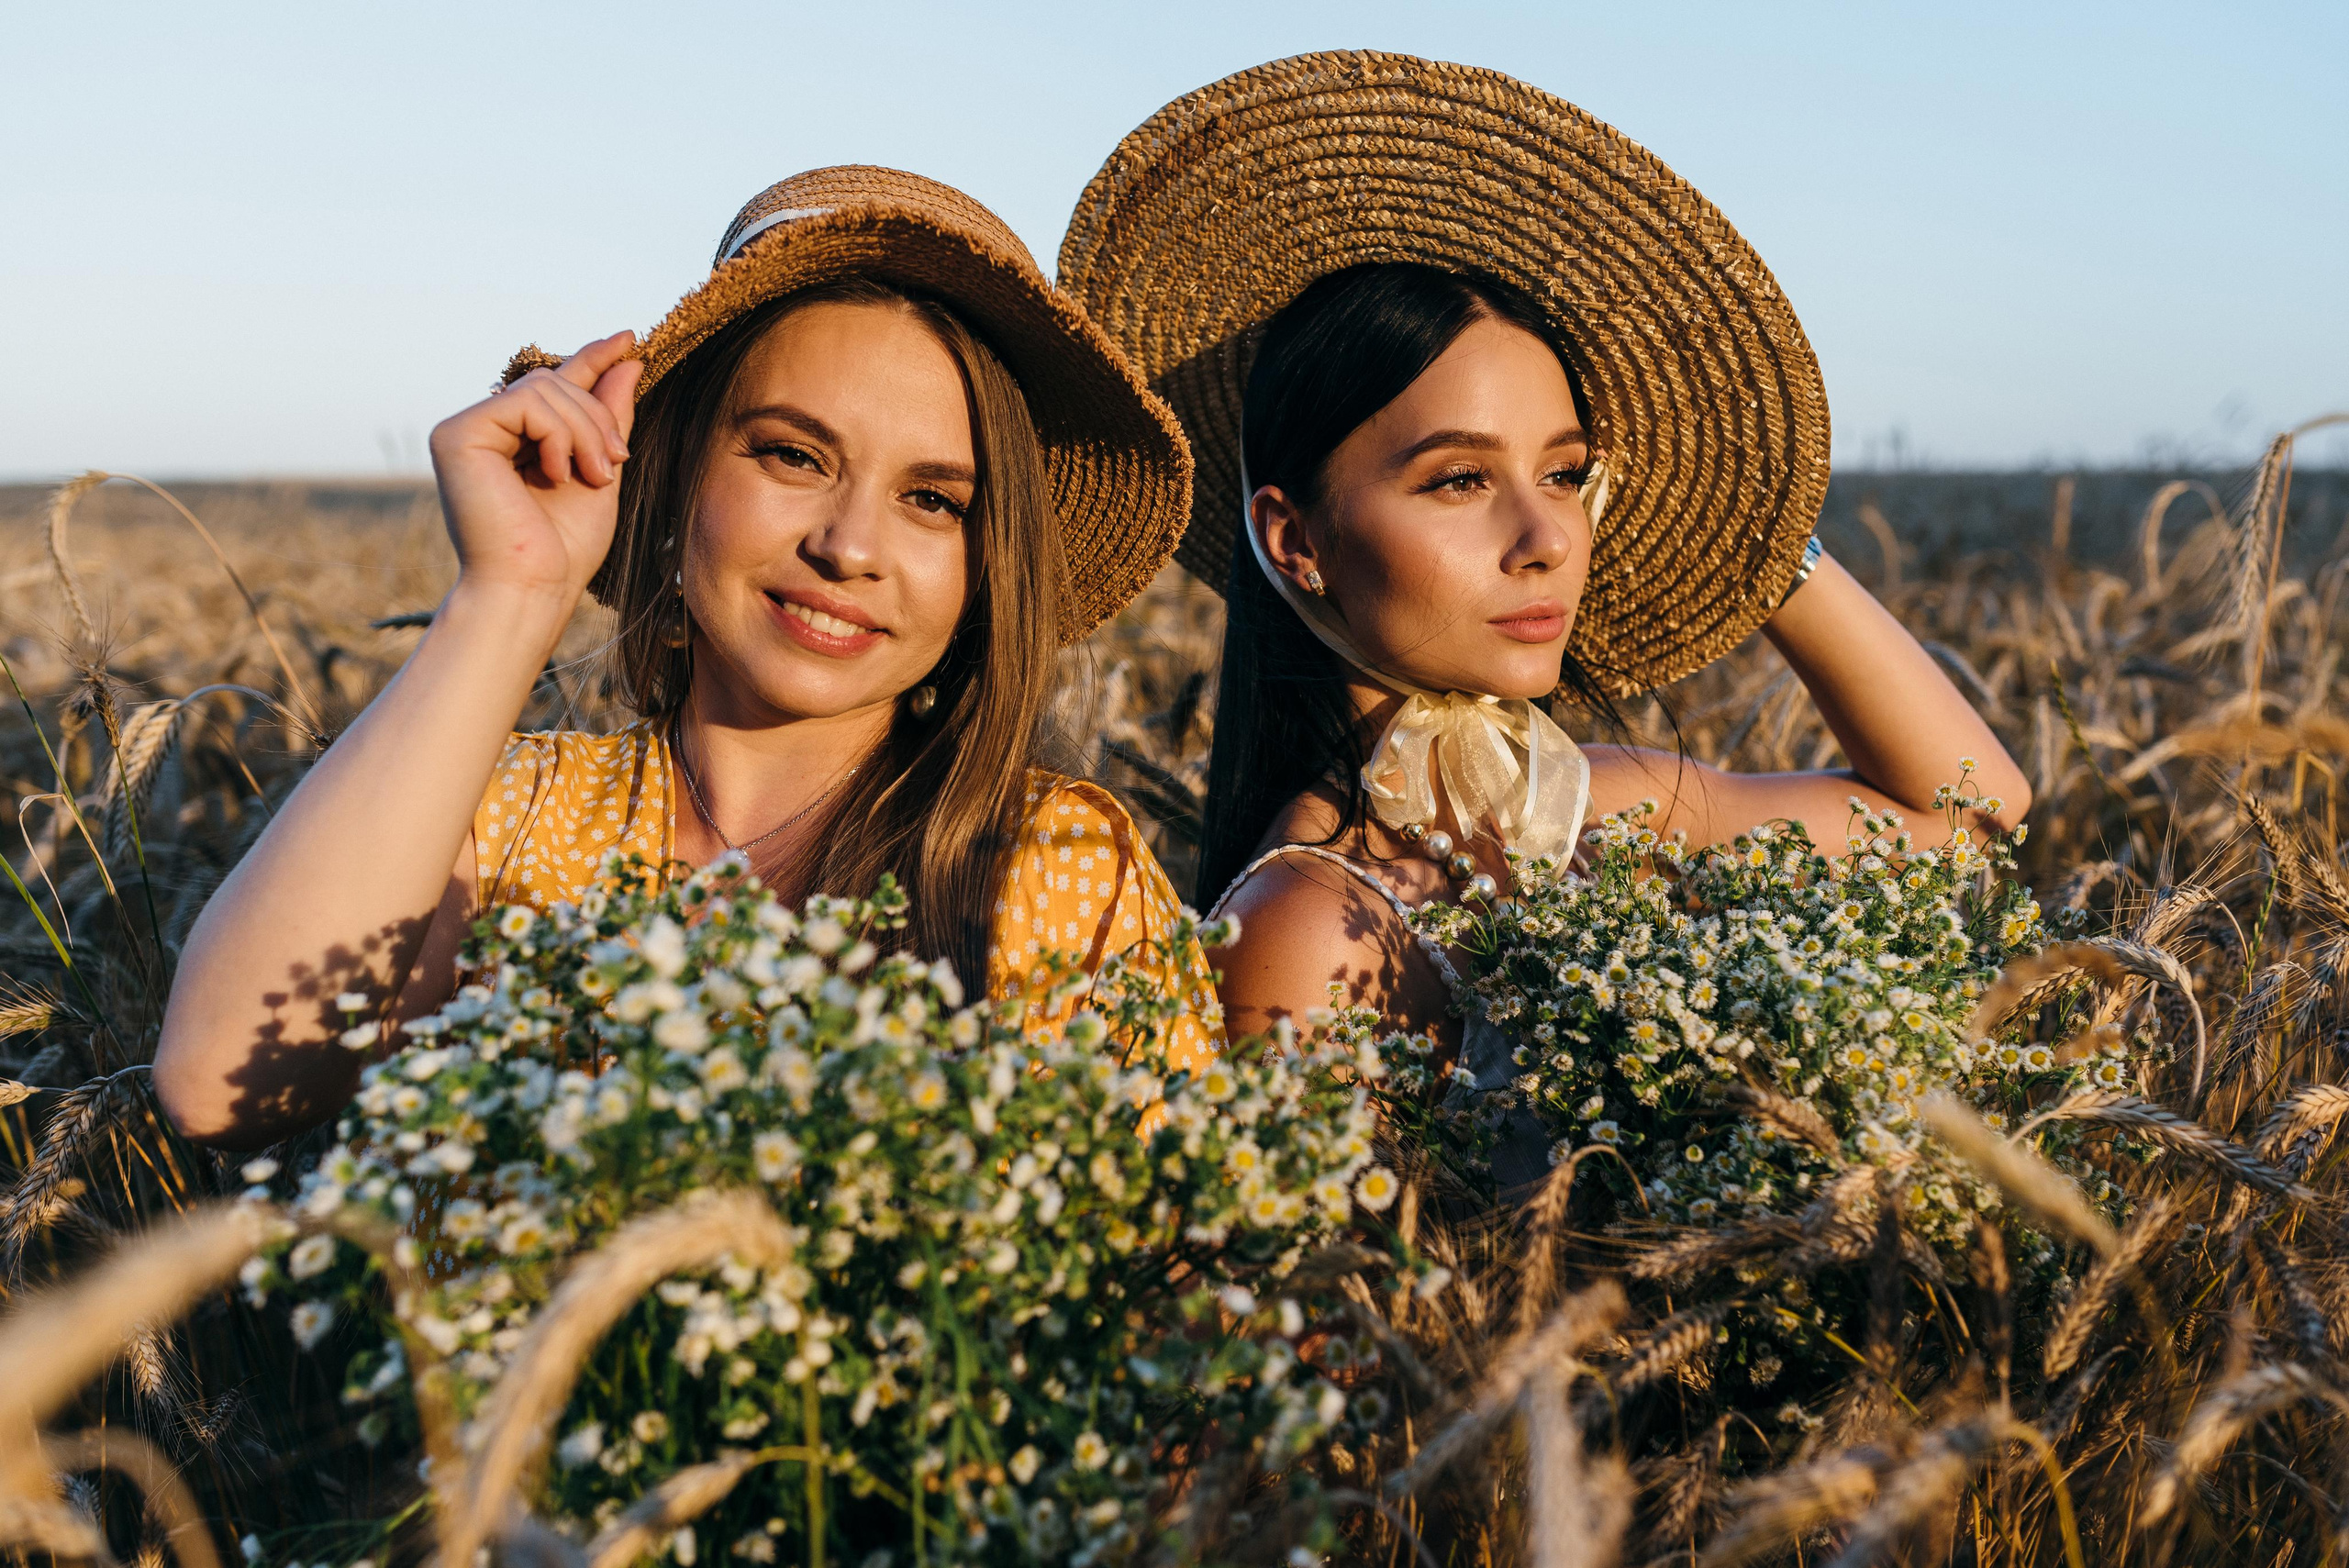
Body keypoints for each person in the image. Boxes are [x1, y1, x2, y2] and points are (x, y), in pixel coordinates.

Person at [157, 167, 1214, 1150]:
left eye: (933, 500)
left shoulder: (1059, 871)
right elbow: (223, 1080)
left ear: (988, 571)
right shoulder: (504, 819)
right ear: (674, 475)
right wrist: (511, 592)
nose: (848, 545)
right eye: (793, 455)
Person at [1060, 53, 2031, 1063]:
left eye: (1565, 474)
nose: (1550, 538)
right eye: (1458, 480)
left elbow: (1968, 820)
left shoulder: (1583, 809)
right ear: (1295, 540)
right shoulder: (1306, 927)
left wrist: (1756, 534)